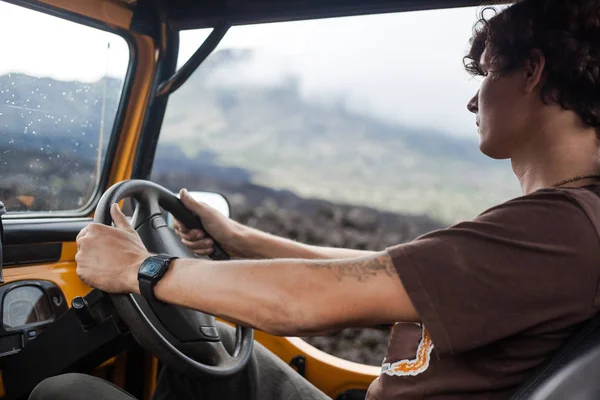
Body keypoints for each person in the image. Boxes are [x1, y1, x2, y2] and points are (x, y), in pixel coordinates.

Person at [29, 0, 600, 398]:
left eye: (487, 74)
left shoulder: (561, 229)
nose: (473, 103)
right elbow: (379, 276)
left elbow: (314, 303)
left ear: (531, 70)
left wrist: (141, 268)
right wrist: (239, 239)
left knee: (67, 391)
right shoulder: (563, 224)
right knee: (220, 345)